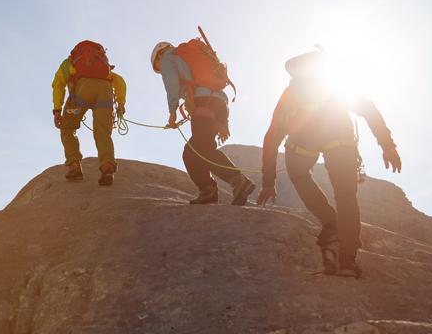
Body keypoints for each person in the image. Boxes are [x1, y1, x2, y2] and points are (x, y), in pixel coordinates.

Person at [256, 47, 401, 278]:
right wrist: (388, 146)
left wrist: (268, 181)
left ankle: (330, 222)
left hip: (301, 149)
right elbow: (369, 110)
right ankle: (347, 261)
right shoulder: (334, 86)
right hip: (342, 144)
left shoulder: (291, 92)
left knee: (299, 174)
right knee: (346, 198)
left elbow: (272, 136)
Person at [150, 40, 256, 205]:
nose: (160, 68)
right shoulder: (191, 55)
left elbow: (172, 84)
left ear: (158, 55)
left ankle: (237, 181)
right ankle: (209, 191)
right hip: (220, 103)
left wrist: (172, 111)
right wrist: (223, 122)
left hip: (203, 101)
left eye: (157, 66)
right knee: (191, 152)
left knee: (202, 149)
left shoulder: (167, 58)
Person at [52, 40, 127, 186]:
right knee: (103, 133)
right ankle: (107, 168)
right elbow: (120, 81)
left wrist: (57, 110)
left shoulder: (69, 63)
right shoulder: (102, 67)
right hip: (104, 93)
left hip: (81, 94)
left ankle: (75, 167)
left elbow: (58, 85)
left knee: (68, 129)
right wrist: (121, 102)